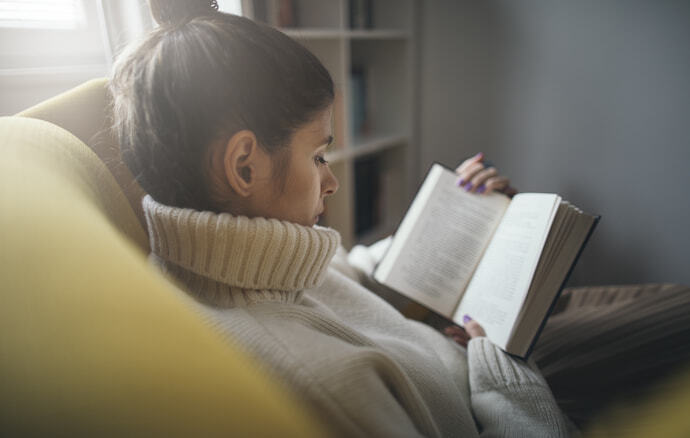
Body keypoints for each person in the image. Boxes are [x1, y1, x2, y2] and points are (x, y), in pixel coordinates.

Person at [111, 1, 690, 436]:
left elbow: (338, 275)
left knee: (671, 301)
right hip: (503, 379)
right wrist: (507, 382)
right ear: (243, 164)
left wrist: (456, 221)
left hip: (463, 343)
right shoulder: (325, 387)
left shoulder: (244, 255)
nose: (331, 181)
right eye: (318, 156)